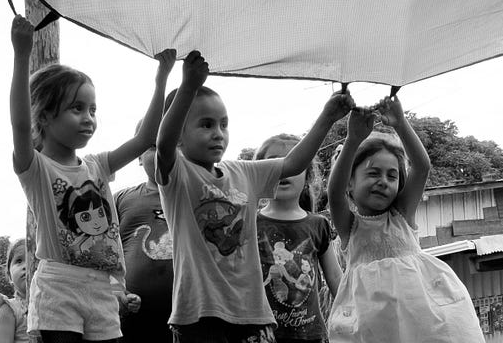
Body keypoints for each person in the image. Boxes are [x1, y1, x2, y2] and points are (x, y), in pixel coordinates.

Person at [155, 52, 350, 342]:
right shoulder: (177, 176)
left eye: (224, 124)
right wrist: (187, 88)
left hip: (251, 315)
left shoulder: (243, 172)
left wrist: (327, 117)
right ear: (181, 136)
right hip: (199, 314)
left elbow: (293, 164)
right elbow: (163, 144)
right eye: (206, 125)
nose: (218, 133)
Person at [10, 16, 170, 342]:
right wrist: (21, 55)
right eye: (77, 108)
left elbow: (144, 139)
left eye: (93, 109)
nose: (89, 118)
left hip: (102, 287)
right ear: (44, 115)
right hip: (59, 286)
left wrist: (161, 80)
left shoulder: (97, 165)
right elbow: (19, 125)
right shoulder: (37, 168)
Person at [324, 97, 485, 343]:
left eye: (392, 176)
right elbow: (334, 193)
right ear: (350, 182)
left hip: (423, 318)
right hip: (374, 323)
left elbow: (421, 167)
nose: (383, 181)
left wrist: (400, 123)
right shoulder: (350, 227)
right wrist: (353, 139)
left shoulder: (402, 214)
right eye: (373, 173)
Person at [255, 135, 344, 343]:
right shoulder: (249, 222)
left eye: (292, 161)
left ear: (308, 175)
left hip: (312, 337)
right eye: (275, 162)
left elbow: (335, 278)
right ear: (259, 173)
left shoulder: (318, 224)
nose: (284, 169)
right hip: (260, 337)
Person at [116, 159, 177, 343]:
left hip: (191, 315)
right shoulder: (121, 199)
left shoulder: (196, 195)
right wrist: (116, 291)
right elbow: (103, 251)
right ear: (140, 157)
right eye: (151, 146)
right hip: (132, 317)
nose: (161, 152)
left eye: (171, 144)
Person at [0, 238, 37, 343]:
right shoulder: (9, 309)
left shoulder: (51, 304)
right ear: (9, 276)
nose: (26, 266)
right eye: (19, 261)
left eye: (33, 259)